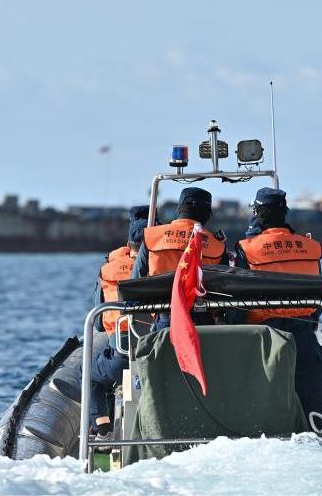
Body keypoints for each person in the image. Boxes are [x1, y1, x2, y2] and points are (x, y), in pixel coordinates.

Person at [234, 187, 322, 421]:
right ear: (285, 212)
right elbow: (317, 294)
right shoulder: (311, 247)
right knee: (316, 390)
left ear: (257, 214)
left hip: (264, 337)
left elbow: (237, 301)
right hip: (303, 334)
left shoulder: (247, 249)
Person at [89, 205, 148, 438]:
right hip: (159, 351)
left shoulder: (108, 269)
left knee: (89, 372)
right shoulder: (163, 269)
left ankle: (102, 429)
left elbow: (98, 323)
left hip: (122, 353)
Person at [132, 187, 228, 330]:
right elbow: (225, 290)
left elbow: (135, 282)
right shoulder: (217, 246)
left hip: (164, 320)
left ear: (179, 209)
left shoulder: (152, 236)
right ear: (207, 213)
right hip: (203, 324)